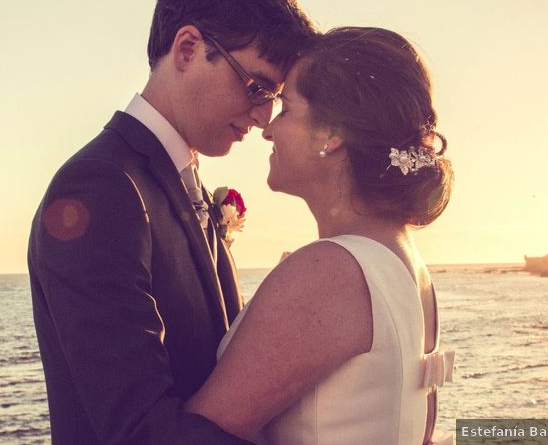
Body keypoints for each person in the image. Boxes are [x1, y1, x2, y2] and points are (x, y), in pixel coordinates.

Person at [27, 0, 317, 445]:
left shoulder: (181, 181)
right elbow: (139, 431)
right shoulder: (100, 187)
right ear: (186, 49)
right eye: (255, 87)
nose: (263, 117)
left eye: (272, 98)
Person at [185, 27, 455, 445]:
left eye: (287, 108)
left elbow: (199, 434)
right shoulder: (406, 262)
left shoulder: (330, 270)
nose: (268, 129)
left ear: (330, 135)